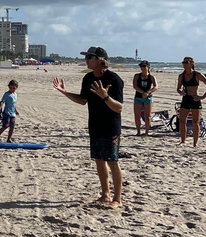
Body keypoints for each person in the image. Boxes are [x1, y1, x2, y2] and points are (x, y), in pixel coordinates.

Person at [53, 46, 124, 208]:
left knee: (112, 161)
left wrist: (105, 96)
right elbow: (82, 100)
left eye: (89, 57)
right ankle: (105, 194)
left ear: (100, 60)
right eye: (86, 57)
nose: (86, 60)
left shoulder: (114, 79)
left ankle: (117, 199)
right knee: (99, 160)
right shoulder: (88, 78)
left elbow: (119, 108)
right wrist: (65, 92)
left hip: (110, 127)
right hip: (95, 125)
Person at [176, 56, 206, 147]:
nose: (184, 64)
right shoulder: (181, 76)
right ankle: (183, 141)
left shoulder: (197, 74)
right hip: (186, 99)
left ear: (191, 64)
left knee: (195, 121)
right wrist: (180, 92)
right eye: (183, 62)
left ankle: (195, 142)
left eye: (186, 62)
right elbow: (178, 88)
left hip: (195, 99)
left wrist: (202, 97)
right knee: (182, 121)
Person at [133, 60, 157, 136]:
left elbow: (156, 86)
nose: (142, 68)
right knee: (137, 115)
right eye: (141, 66)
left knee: (148, 116)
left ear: (148, 67)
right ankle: (138, 131)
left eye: (144, 66)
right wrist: (142, 92)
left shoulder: (151, 77)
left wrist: (148, 92)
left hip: (148, 98)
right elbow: (135, 86)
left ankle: (147, 132)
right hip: (138, 97)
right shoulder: (137, 76)